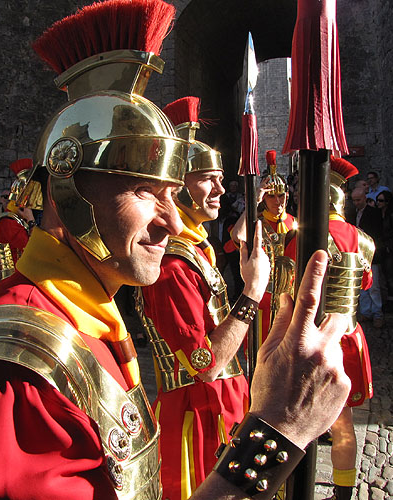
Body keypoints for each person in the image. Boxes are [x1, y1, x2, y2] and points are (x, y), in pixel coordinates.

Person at [0, 2, 350, 499]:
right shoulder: (20, 372)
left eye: (173, 193)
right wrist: (278, 431)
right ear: (66, 190)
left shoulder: (88, 315)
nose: (172, 221)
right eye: (144, 190)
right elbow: (201, 362)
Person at [136, 96, 269, 499]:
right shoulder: (171, 267)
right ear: (177, 188)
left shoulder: (197, 247)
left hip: (222, 402)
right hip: (197, 413)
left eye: (221, 178)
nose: (220, 189)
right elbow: (206, 365)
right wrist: (252, 292)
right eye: (208, 179)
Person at [323, 157, 375, 500]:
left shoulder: (304, 235)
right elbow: (366, 284)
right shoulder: (364, 240)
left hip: (316, 338)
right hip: (350, 337)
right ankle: (343, 494)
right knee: (344, 423)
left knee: (298, 418)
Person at [233, 150, 297, 342]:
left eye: (281, 196)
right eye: (271, 197)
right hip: (263, 296)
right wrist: (255, 200)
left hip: (290, 299)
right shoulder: (256, 223)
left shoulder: (295, 223)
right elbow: (237, 235)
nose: (277, 201)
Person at [0, 158, 38, 280]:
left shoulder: (18, 219)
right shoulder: (8, 222)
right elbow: (33, 249)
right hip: (14, 279)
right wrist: (31, 220)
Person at [348, 187, 384, 327]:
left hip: (371, 253)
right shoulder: (352, 213)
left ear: (365, 198)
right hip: (357, 253)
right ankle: (366, 311)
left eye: (358, 200)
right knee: (361, 286)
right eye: (354, 200)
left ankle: (377, 313)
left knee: (374, 286)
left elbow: (378, 233)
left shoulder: (374, 213)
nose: (356, 203)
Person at [376, 190, 393, 313]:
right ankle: (388, 299)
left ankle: (392, 301)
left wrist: (390, 246)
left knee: (391, 276)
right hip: (382, 247)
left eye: (381, 200)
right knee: (385, 275)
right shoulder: (379, 214)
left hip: (390, 249)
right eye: (378, 200)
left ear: (387, 202)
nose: (378, 203)